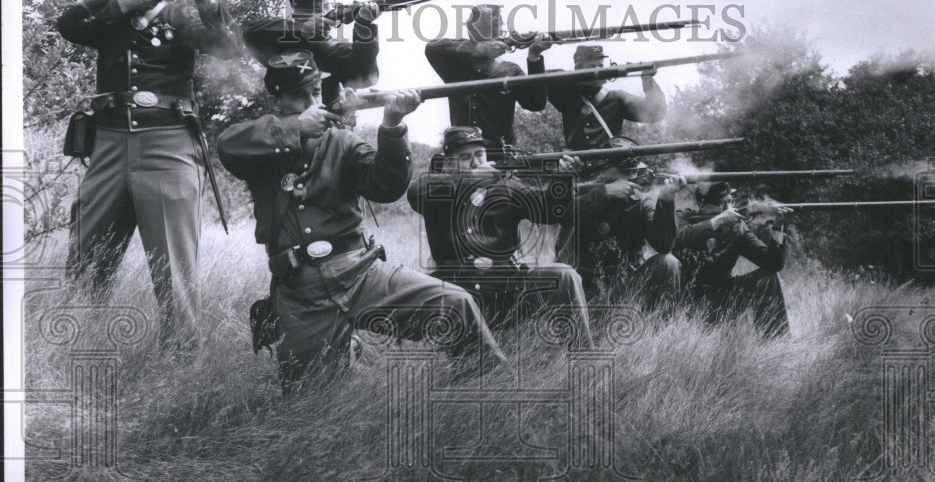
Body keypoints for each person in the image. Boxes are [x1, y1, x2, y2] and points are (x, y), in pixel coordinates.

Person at [217, 51, 507, 391]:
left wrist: (393, 125)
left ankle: (481, 389)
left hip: (360, 271)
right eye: (299, 96)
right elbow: (227, 146)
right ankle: (346, 355)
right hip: (302, 289)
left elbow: (386, 186)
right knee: (311, 403)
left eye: (315, 92)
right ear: (274, 101)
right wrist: (296, 128)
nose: (312, 102)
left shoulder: (341, 139)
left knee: (457, 305)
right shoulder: (261, 144)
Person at [56, 0, 241, 352]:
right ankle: (73, 352)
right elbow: (67, 23)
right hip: (106, 146)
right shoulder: (106, 19)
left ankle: (181, 370)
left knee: (175, 274)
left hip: (168, 145)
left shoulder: (179, 16)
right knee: (86, 260)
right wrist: (123, 2)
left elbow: (228, 49)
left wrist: (209, 2)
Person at [407, 126, 594, 347]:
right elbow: (415, 191)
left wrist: (562, 178)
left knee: (564, 274)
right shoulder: (436, 188)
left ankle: (584, 353)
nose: (476, 162)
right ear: (448, 163)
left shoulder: (505, 186)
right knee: (476, 370)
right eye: (465, 158)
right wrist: (470, 179)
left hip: (509, 291)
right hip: (462, 298)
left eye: (479, 155)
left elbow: (549, 210)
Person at [554, 137, 685, 309]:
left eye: (630, 171)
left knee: (669, 262)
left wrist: (666, 200)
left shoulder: (641, 202)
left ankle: (661, 328)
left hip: (625, 284)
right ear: (605, 170)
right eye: (620, 170)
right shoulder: (587, 194)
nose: (627, 176)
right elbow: (563, 215)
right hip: (582, 284)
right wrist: (604, 194)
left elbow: (664, 245)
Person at [424, 4, 551, 158]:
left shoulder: (510, 70)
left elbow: (536, 103)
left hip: (499, 155)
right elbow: (432, 48)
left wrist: (534, 57)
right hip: (462, 152)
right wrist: (478, 49)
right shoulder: (456, 68)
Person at [672, 182, 791, 337]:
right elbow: (677, 238)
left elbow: (772, 264)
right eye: (723, 203)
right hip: (685, 299)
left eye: (728, 202)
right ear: (702, 204)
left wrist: (778, 227)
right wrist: (718, 221)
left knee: (768, 278)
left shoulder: (737, 227)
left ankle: (776, 344)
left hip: (723, 298)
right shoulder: (686, 218)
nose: (729, 206)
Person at [243, 0, 380, 104]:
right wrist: (301, 29)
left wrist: (364, 26)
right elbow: (249, 33)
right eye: (313, 9)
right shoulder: (283, 38)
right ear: (297, 13)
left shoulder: (332, 48)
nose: (322, 13)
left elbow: (365, 75)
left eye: (326, 7)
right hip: (291, 122)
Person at [548, 45, 667, 150]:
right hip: (578, 167)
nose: (598, 70)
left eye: (600, 65)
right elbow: (544, 81)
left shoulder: (616, 98)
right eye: (592, 66)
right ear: (579, 70)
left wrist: (647, 80)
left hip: (610, 169)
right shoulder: (567, 95)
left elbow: (655, 113)